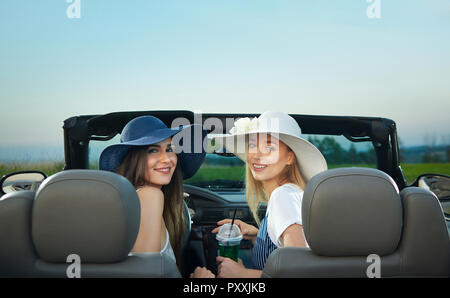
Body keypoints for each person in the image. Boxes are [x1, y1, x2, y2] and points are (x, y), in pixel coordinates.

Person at [211, 111, 328, 277]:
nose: (257, 155)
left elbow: (300, 271)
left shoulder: (282, 196)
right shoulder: (294, 192)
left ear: (289, 158)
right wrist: (258, 235)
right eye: (252, 145)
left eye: (269, 147)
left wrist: (242, 274)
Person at [99, 115, 205, 270]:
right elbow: (147, 272)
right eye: (153, 150)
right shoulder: (150, 196)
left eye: (170, 149)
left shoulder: (136, 198)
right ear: (134, 159)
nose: (166, 159)